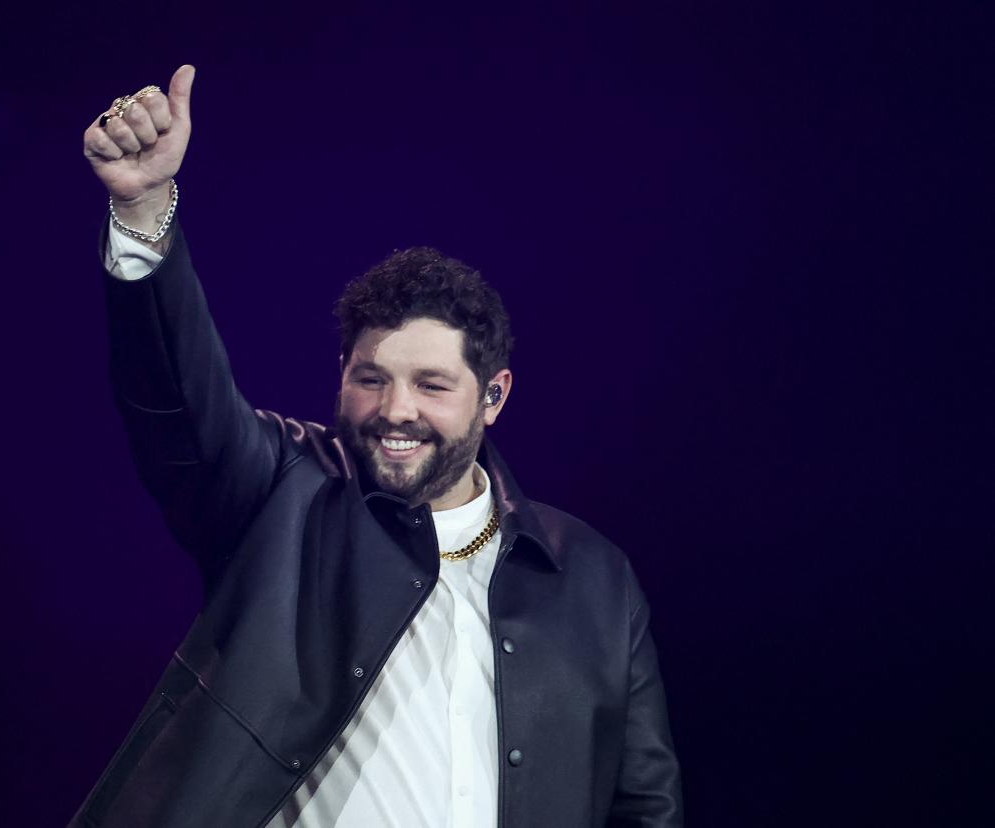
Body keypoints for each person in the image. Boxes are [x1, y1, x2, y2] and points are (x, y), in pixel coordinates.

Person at [70, 65, 683, 828]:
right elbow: (177, 399)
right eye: (371, 378)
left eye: (431, 385)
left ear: (493, 397)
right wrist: (143, 207)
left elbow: (644, 806)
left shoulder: (591, 576)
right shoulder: (285, 495)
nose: (395, 410)